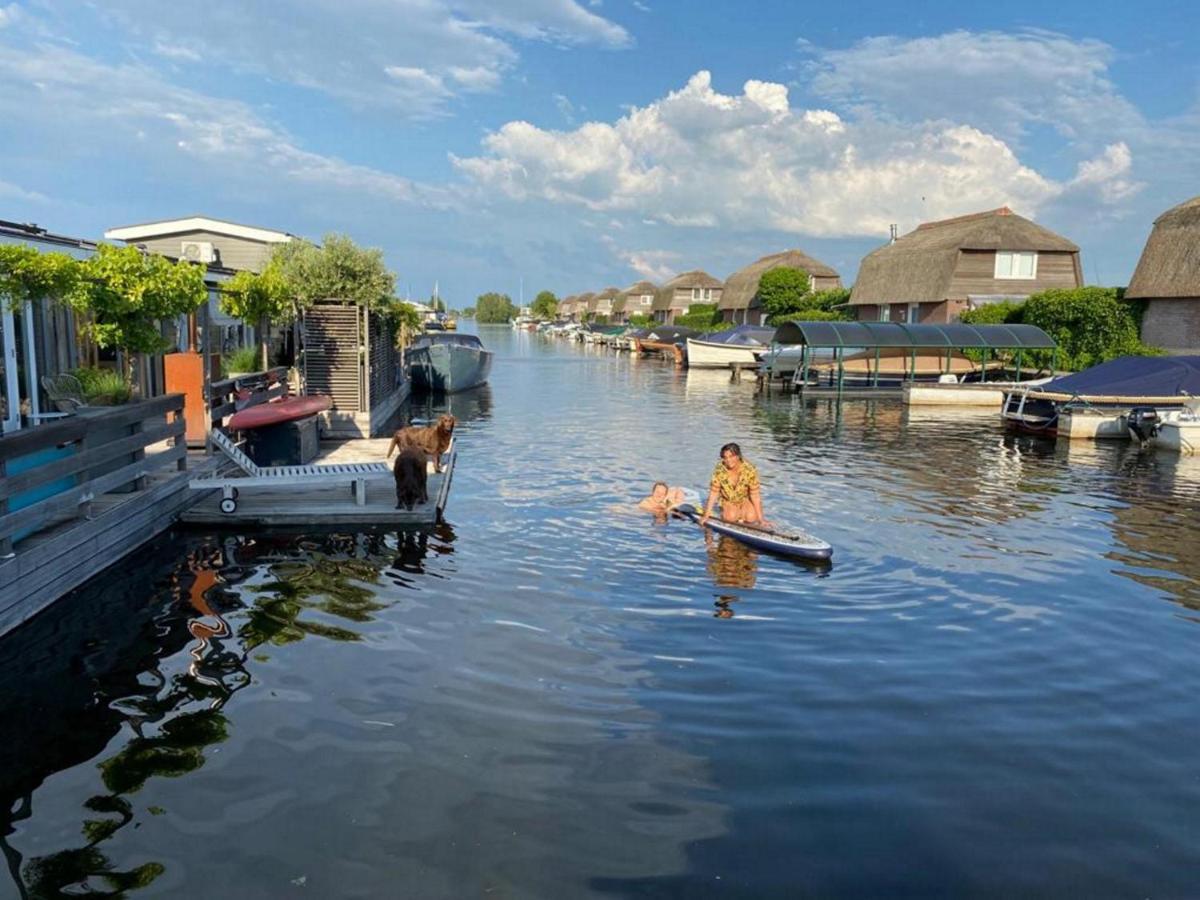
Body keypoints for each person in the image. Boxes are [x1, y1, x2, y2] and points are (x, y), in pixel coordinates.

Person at [700, 442, 768, 526]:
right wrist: (706, 515)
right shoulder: (719, 470)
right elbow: (714, 493)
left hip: (744, 499)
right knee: (731, 517)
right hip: (728, 500)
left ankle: (742, 515)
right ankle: (729, 513)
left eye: (731, 456)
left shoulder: (749, 469)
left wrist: (761, 519)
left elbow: (755, 495)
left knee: (751, 517)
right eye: (725, 457)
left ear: (738, 456)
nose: (728, 460)